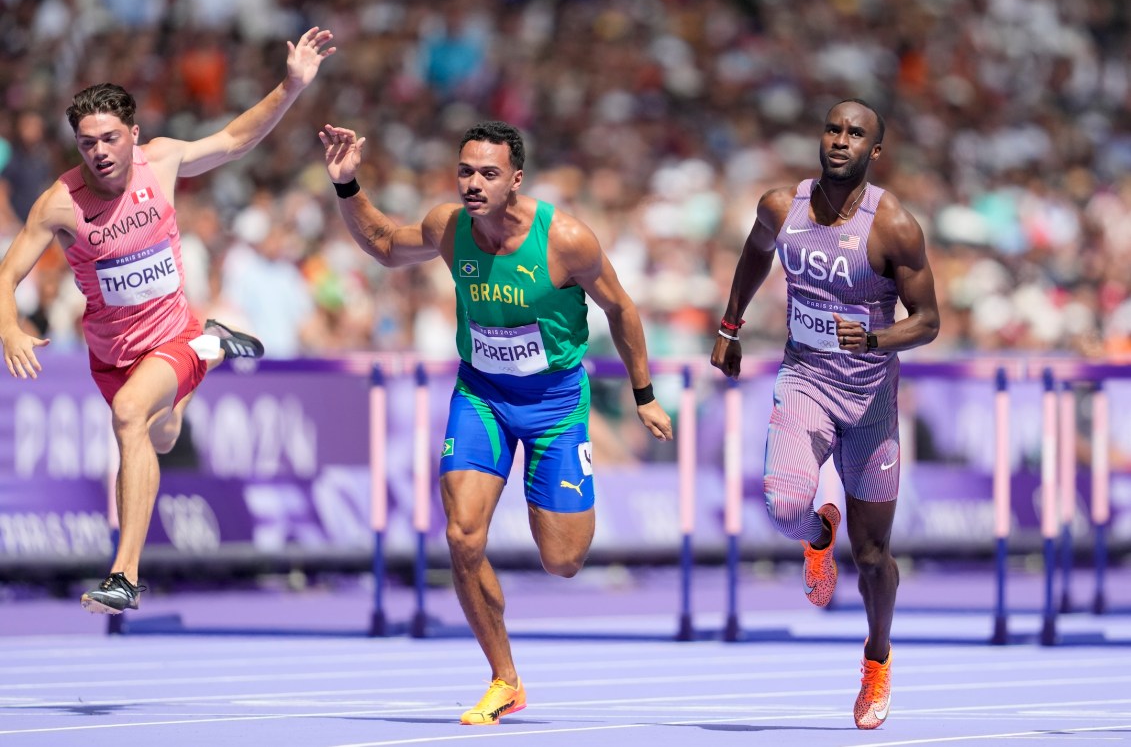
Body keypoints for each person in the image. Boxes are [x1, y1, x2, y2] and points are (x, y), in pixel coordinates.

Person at [319, 119, 673, 725]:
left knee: (562, 561)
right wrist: (349, 186)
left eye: (488, 174)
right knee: (462, 536)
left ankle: (557, 485)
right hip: (480, 394)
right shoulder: (449, 228)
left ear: (515, 179)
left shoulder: (566, 239)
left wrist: (643, 393)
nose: (474, 184)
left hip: (556, 403)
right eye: (465, 172)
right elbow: (383, 244)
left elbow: (622, 308)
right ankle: (504, 678)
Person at [0, 27, 337, 614]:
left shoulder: (163, 160)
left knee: (132, 416)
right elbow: (5, 276)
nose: (99, 152)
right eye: (86, 143)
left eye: (109, 138)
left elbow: (234, 138)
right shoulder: (60, 203)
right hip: (111, 354)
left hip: (168, 335)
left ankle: (124, 575)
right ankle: (214, 346)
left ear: (133, 134)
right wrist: (7, 328)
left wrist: (289, 86)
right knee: (162, 434)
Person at [710, 99, 940, 730]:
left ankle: (876, 659)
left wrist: (873, 339)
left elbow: (928, 321)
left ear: (875, 150)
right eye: (833, 129)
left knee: (873, 557)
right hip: (804, 380)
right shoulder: (781, 207)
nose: (840, 140)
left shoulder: (893, 225)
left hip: (870, 402)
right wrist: (731, 324)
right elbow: (756, 253)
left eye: (855, 134)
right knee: (784, 508)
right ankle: (817, 537)